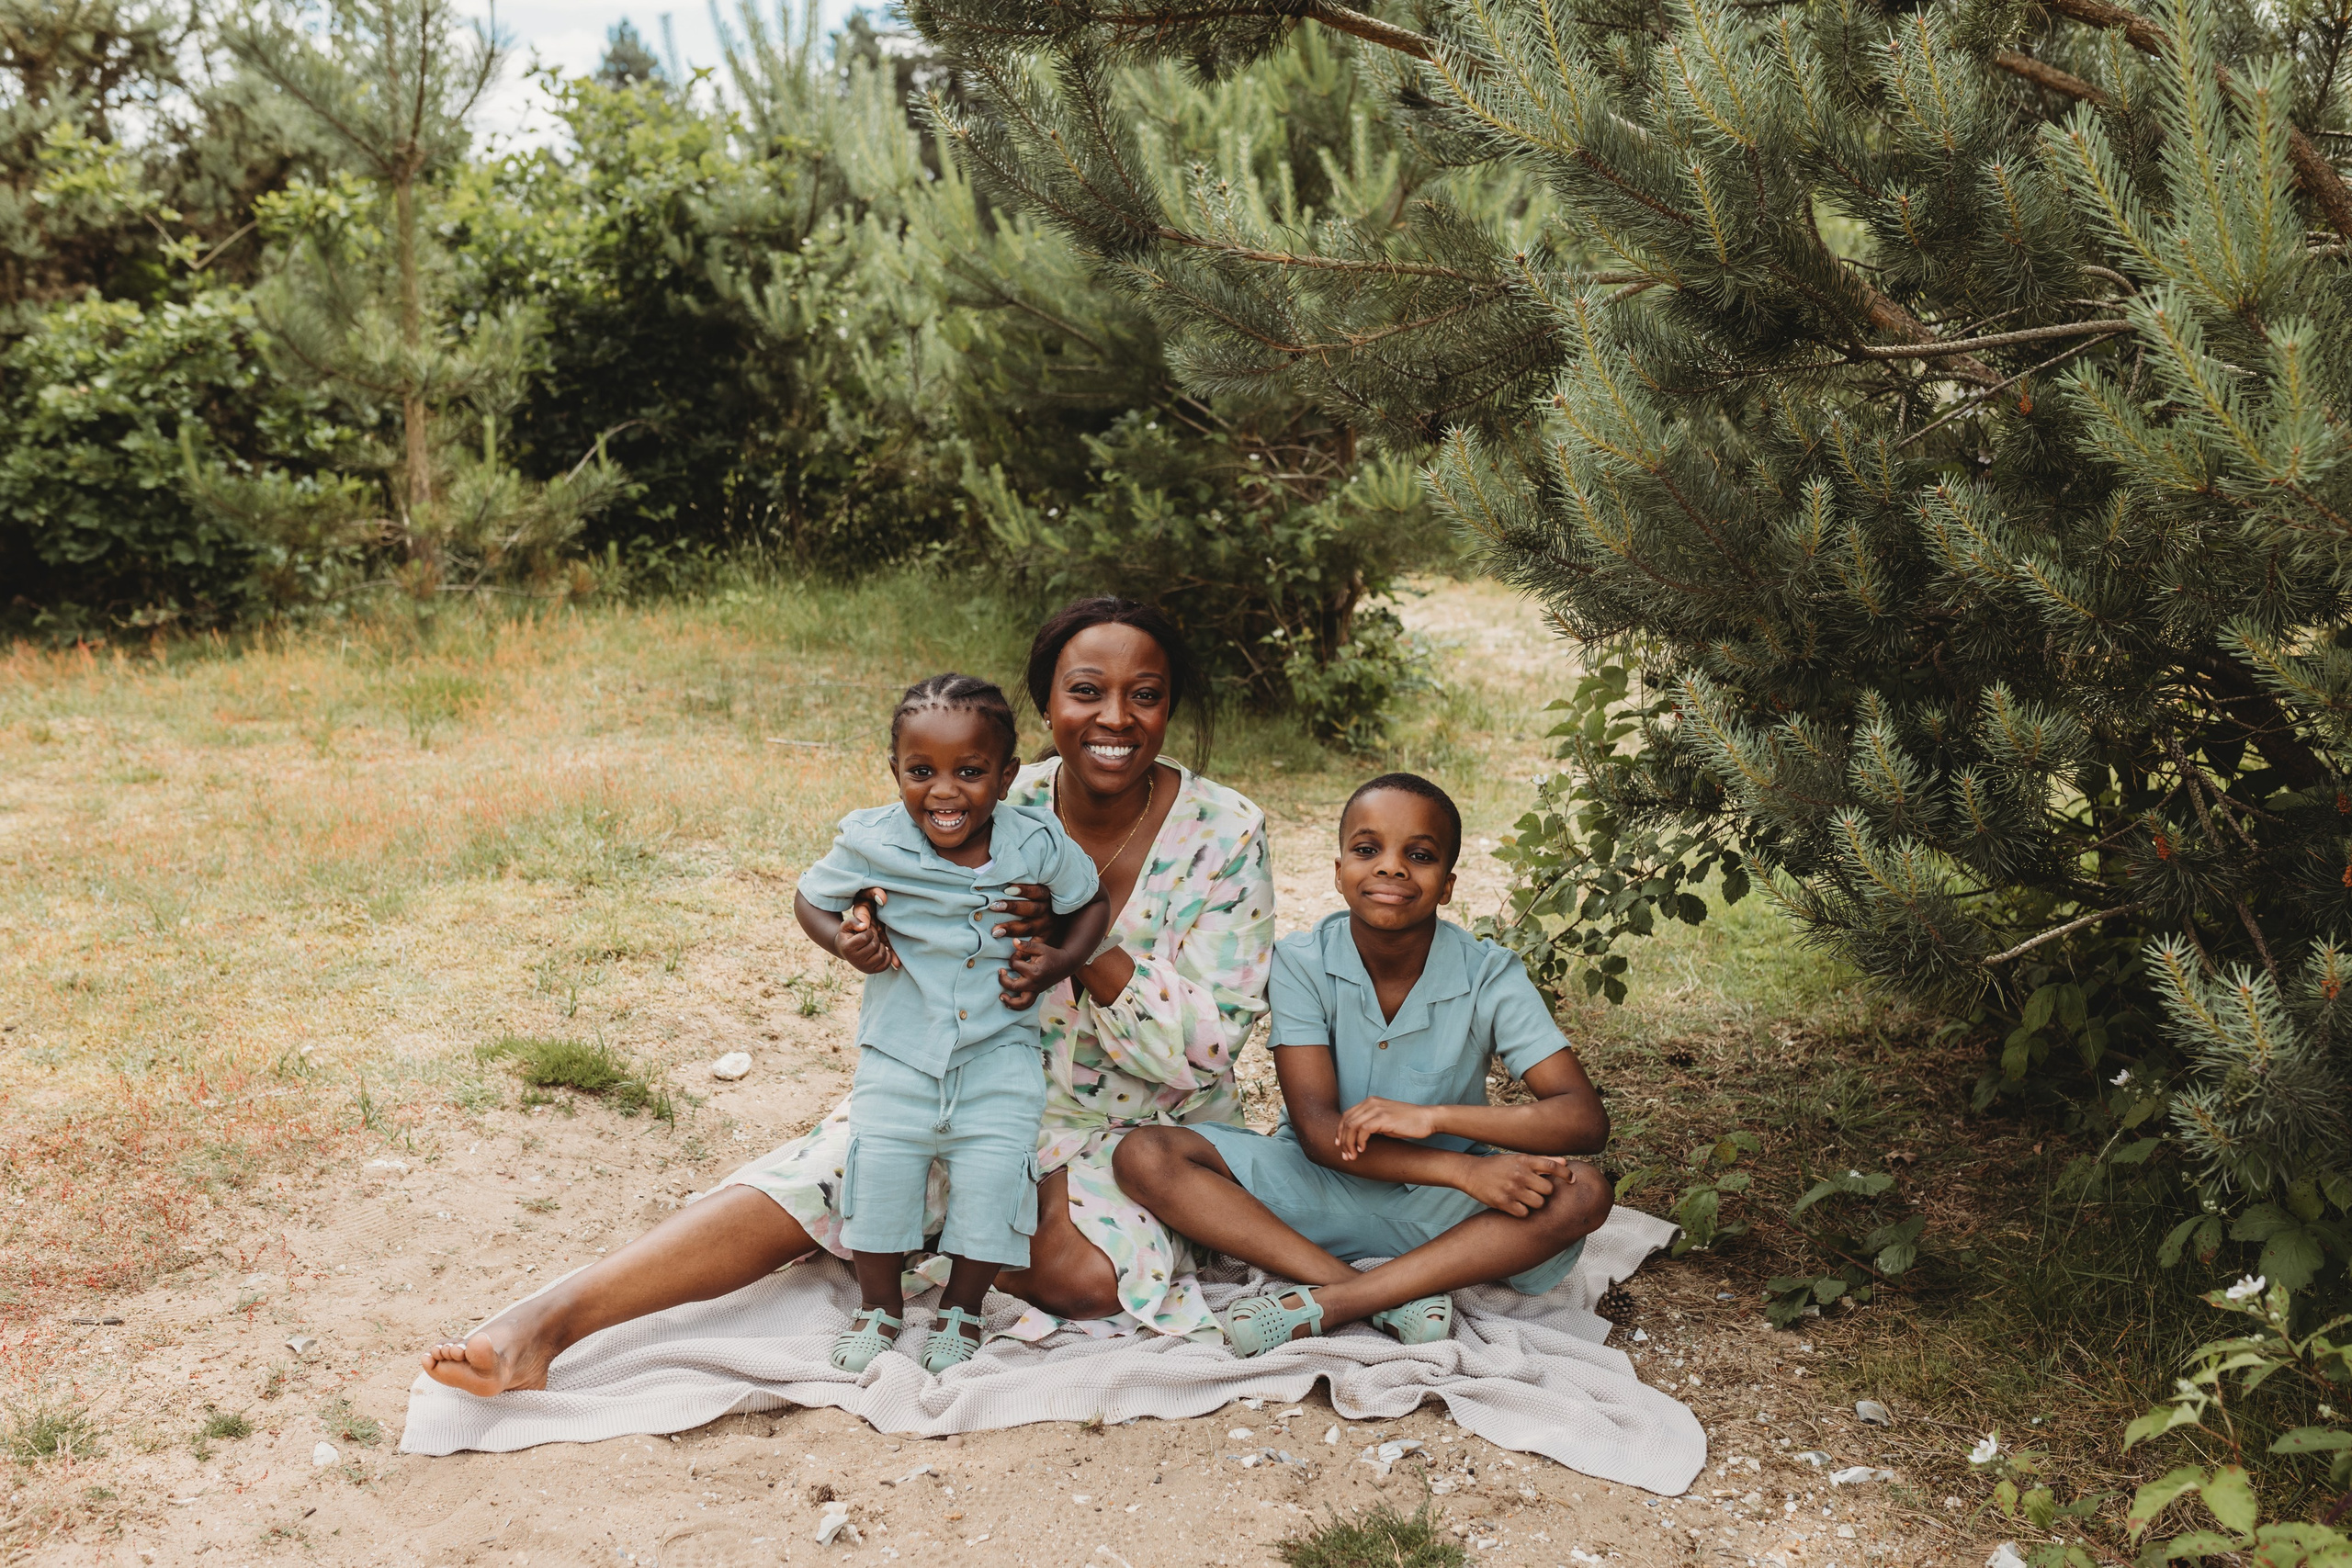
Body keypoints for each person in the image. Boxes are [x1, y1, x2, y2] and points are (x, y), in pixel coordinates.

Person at [420, 597, 1272, 1396]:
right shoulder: (986, 792)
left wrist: (1082, 948)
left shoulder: (1227, 831)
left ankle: (929, 1233)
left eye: (1145, 696)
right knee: (824, 1170)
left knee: (1083, 1278)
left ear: (1169, 708)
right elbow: (868, 905)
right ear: (1046, 709)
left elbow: (1204, 1051)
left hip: (1144, 1128)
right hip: (970, 1076)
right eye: (1086, 692)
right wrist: (863, 933)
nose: (1115, 718)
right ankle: (544, 1326)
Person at [1113, 773, 1611, 1356]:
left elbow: (1583, 1119)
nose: (1392, 868)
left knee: (1584, 1193)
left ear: (1446, 885)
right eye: (1367, 850)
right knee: (1145, 1154)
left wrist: (1441, 1121)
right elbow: (1323, 1135)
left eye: (1419, 856)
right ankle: (1373, 1294)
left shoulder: (1489, 974)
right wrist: (1465, 1173)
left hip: (1445, 1216)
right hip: (1314, 1188)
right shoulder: (1302, 962)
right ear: (1339, 871)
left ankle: (1333, 1304)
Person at [791, 673, 1110, 1373]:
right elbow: (810, 898)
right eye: (921, 771)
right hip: (899, 1052)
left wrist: (1059, 959)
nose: (944, 791)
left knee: (994, 1183)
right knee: (878, 1178)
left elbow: (1091, 901)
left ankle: (962, 1309)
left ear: (1006, 776)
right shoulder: (870, 838)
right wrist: (844, 940)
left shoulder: (1037, 842)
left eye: (970, 772)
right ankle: (879, 1306)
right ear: (895, 771)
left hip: (1001, 1053)